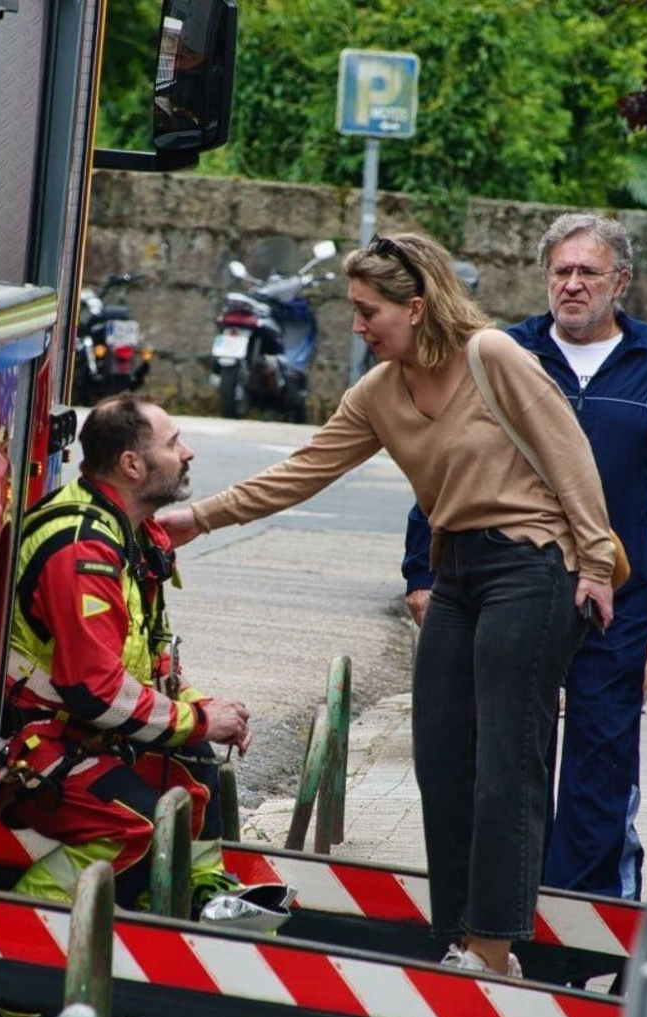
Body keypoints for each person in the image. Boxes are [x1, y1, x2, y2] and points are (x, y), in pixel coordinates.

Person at [163, 232, 616, 978]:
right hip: (457, 574)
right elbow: (300, 473)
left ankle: (495, 948)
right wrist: (198, 517)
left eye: (369, 310)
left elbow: (572, 457)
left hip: (531, 565)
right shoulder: (377, 394)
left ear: (417, 305)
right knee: (440, 759)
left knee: (508, 762)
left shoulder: (492, 357)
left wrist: (597, 564)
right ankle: (460, 936)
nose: (357, 325)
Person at [404, 213, 647, 901]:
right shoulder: (502, 352)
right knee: (503, 755)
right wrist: (424, 571)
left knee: (600, 757)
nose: (573, 285)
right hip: (503, 588)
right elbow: (445, 467)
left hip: (615, 600)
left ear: (621, 281)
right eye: (561, 272)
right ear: (544, 279)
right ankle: (499, 908)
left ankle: (582, 921)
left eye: (588, 272)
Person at [0, 394, 250, 914]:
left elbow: (147, 667)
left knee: (193, 761)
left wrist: (206, 709)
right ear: (132, 465)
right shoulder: (81, 547)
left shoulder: (130, 533)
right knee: (132, 826)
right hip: (41, 739)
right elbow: (94, 691)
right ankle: (18, 961)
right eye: (174, 442)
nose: (189, 452)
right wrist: (199, 718)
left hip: (85, 728)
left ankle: (201, 894)